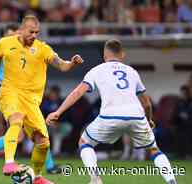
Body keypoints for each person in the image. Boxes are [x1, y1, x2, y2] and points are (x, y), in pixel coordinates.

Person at [46, 39, 177, 184]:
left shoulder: (97, 70)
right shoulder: (132, 72)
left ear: (104, 55)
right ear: (122, 54)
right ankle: (171, 181)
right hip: (136, 115)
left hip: (110, 116)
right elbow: (146, 103)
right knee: (154, 150)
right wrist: (149, 119)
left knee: (84, 142)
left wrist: (58, 111)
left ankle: (95, 178)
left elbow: (77, 93)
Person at [0, 15, 83, 184]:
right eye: (31, 32)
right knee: (16, 119)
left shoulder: (43, 49)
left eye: (37, 32)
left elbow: (61, 65)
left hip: (32, 101)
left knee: (43, 142)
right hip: (10, 92)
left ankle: (37, 177)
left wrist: (72, 63)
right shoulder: (5, 43)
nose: (34, 35)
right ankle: (9, 162)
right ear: (22, 29)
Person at [0, 24, 64, 174]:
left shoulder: (23, 49)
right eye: (10, 35)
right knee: (24, 132)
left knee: (27, 133)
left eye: (15, 34)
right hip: (9, 95)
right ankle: (48, 166)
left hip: (26, 95)